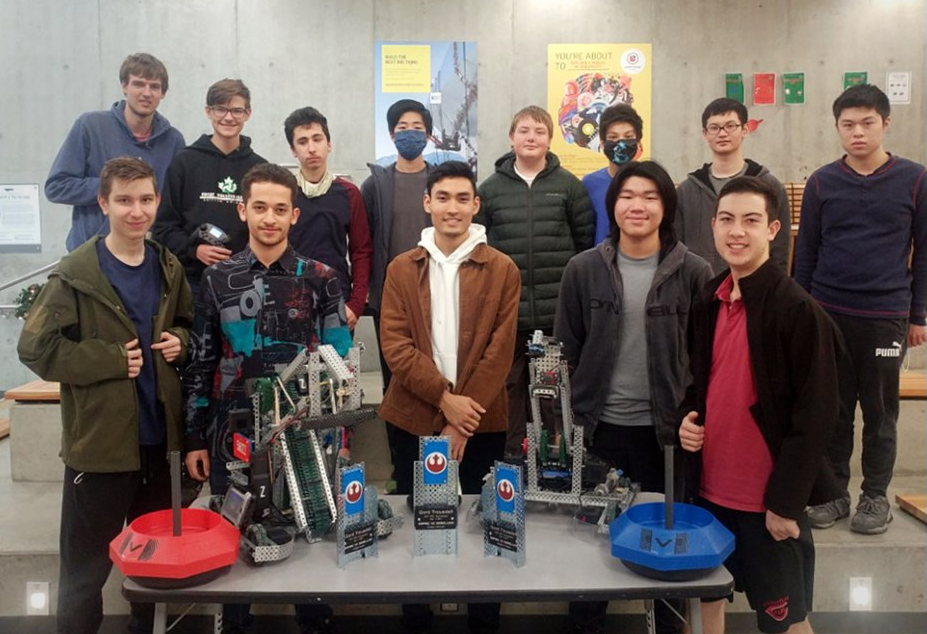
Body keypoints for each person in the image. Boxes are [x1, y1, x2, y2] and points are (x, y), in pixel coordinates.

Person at [18, 157, 192, 634]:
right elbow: (35, 347)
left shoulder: (168, 265)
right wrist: (110, 361)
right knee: (83, 574)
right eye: (123, 200)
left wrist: (182, 341)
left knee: (154, 571)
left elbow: (187, 325)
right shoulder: (76, 273)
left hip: (159, 446)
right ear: (102, 203)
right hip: (99, 451)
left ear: (157, 201)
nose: (136, 211)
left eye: (145, 200)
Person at [183, 163, 351, 634]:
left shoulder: (322, 278)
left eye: (280, 209)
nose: (270, 218)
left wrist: (339, 435)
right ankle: (234, 623)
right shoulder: (217, 280)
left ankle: (314, 621)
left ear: (295, 215)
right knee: (232, 541)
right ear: (243, 210)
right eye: (259, 208)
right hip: (231, 435)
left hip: (304, 435)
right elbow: (201, 361)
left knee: (312, 534)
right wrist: (195, 435)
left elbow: (339, 368)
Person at [679, 176, 842, 634]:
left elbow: (816, 418)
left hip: (767, 503)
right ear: (712, 226)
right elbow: (700, 387)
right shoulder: (708, 300)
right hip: (709, 495)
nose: (737, 231)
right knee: (703, 607)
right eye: (727, 220)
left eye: (751, 221)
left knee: (786, 623)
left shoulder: (798, 311)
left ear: (772, 229)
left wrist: (786, 503)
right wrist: (686, 422)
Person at [556, 160, 710, 634]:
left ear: (666, 207)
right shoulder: (583, 270)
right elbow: (567, 351)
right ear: (612, 205)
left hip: (665, 434)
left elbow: (705, 360)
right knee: (589, 544)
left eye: (649, 196)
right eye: (627, 196)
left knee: (666, 543)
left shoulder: (695, 271)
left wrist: (691, 417)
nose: (637, 205)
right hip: (598, 431)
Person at [378, 161, 520, 634]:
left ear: (476, 205)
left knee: (485, 519)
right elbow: (395, 347)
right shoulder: (401, 268)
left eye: (462, 198)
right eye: (443, 198)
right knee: (417, 518)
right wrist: (445, 401)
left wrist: (461, 420)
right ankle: (415, 615)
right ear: (427, 204)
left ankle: (483, 620)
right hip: (412, 417)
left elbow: (501, 352)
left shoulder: (502, 269)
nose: (452, 207)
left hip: (481, 419)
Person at [796, 84, 927, 535]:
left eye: (867, 123)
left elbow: (924, 252)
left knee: (880, 411)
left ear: (886, 123)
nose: (857, 132)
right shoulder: (821, 181)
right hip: (828, 314)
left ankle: (875, 496)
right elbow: (805, 254)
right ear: (837, 128)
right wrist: (803, 314)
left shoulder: (915, 178)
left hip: (886, 317)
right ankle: (834, 495)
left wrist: (918, 316)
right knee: (833, 410)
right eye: (848, 125)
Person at [476, 105, 593, 459]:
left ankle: (555, 460)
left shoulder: (570, 187)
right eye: (524, 130)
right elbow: (479, 248)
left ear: (550, 140)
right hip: (508, 315)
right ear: (512, 139)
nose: (531, 137)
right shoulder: (490, 190)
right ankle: (513, 462)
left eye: (539, 131)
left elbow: (584, 245)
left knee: (554, 395)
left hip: (555, 314)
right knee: (510, 392)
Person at [46, 53, 186, 252]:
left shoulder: (174, 141)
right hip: (90, 255)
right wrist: (114, 188)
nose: (146, 93)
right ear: (124, 86)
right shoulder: (90, 126)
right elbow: (57, 186)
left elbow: (174, 206)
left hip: (145, 256)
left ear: (163, 93)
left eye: (154, 86)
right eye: (138, 84)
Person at [152, 78, 266, 294]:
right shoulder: (183, 163)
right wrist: (195, 250)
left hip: (246, 282)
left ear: (247, 114)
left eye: (236, 110)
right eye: (220, 109)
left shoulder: (260, 169)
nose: (228, 117)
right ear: (208, 112)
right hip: (192, 283)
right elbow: (163, 228)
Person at [362, 98, 436, 389]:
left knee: (432, 374)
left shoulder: (440, 182)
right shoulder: (375, 185)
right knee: (393, 378)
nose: (410, 133)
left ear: (428, 136)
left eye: (417, 127)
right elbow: (364, 242)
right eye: (402, 127)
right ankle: (397, 435)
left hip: (433, 291)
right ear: (392, 136)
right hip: (389, 295)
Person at [675, 98, 790, 274]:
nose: (722, 133)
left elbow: (780, 250)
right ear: (705, 133)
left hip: (754, 288)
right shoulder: (686, 191)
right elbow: (678, 249)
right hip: (700, 290)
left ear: (745, 130)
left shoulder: (769, 186)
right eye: (714, 127)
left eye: (730, 126)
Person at [285, 106, 372, 332]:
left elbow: (361, 251)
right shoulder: (283, 194)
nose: (312, 148)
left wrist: (355, 304)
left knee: (336, 368)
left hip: (337, 303)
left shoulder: (349, 193)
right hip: (288, 303)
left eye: (317, 139)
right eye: (302, 142)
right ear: (293, 150)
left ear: (329, 144)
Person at [581, 103, 645, 244]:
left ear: (638, 142)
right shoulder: (589, 184)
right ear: (603, 144)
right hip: (600, 263)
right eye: (613, 137)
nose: (620, 143)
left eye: (628, 136)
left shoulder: (651, 181)